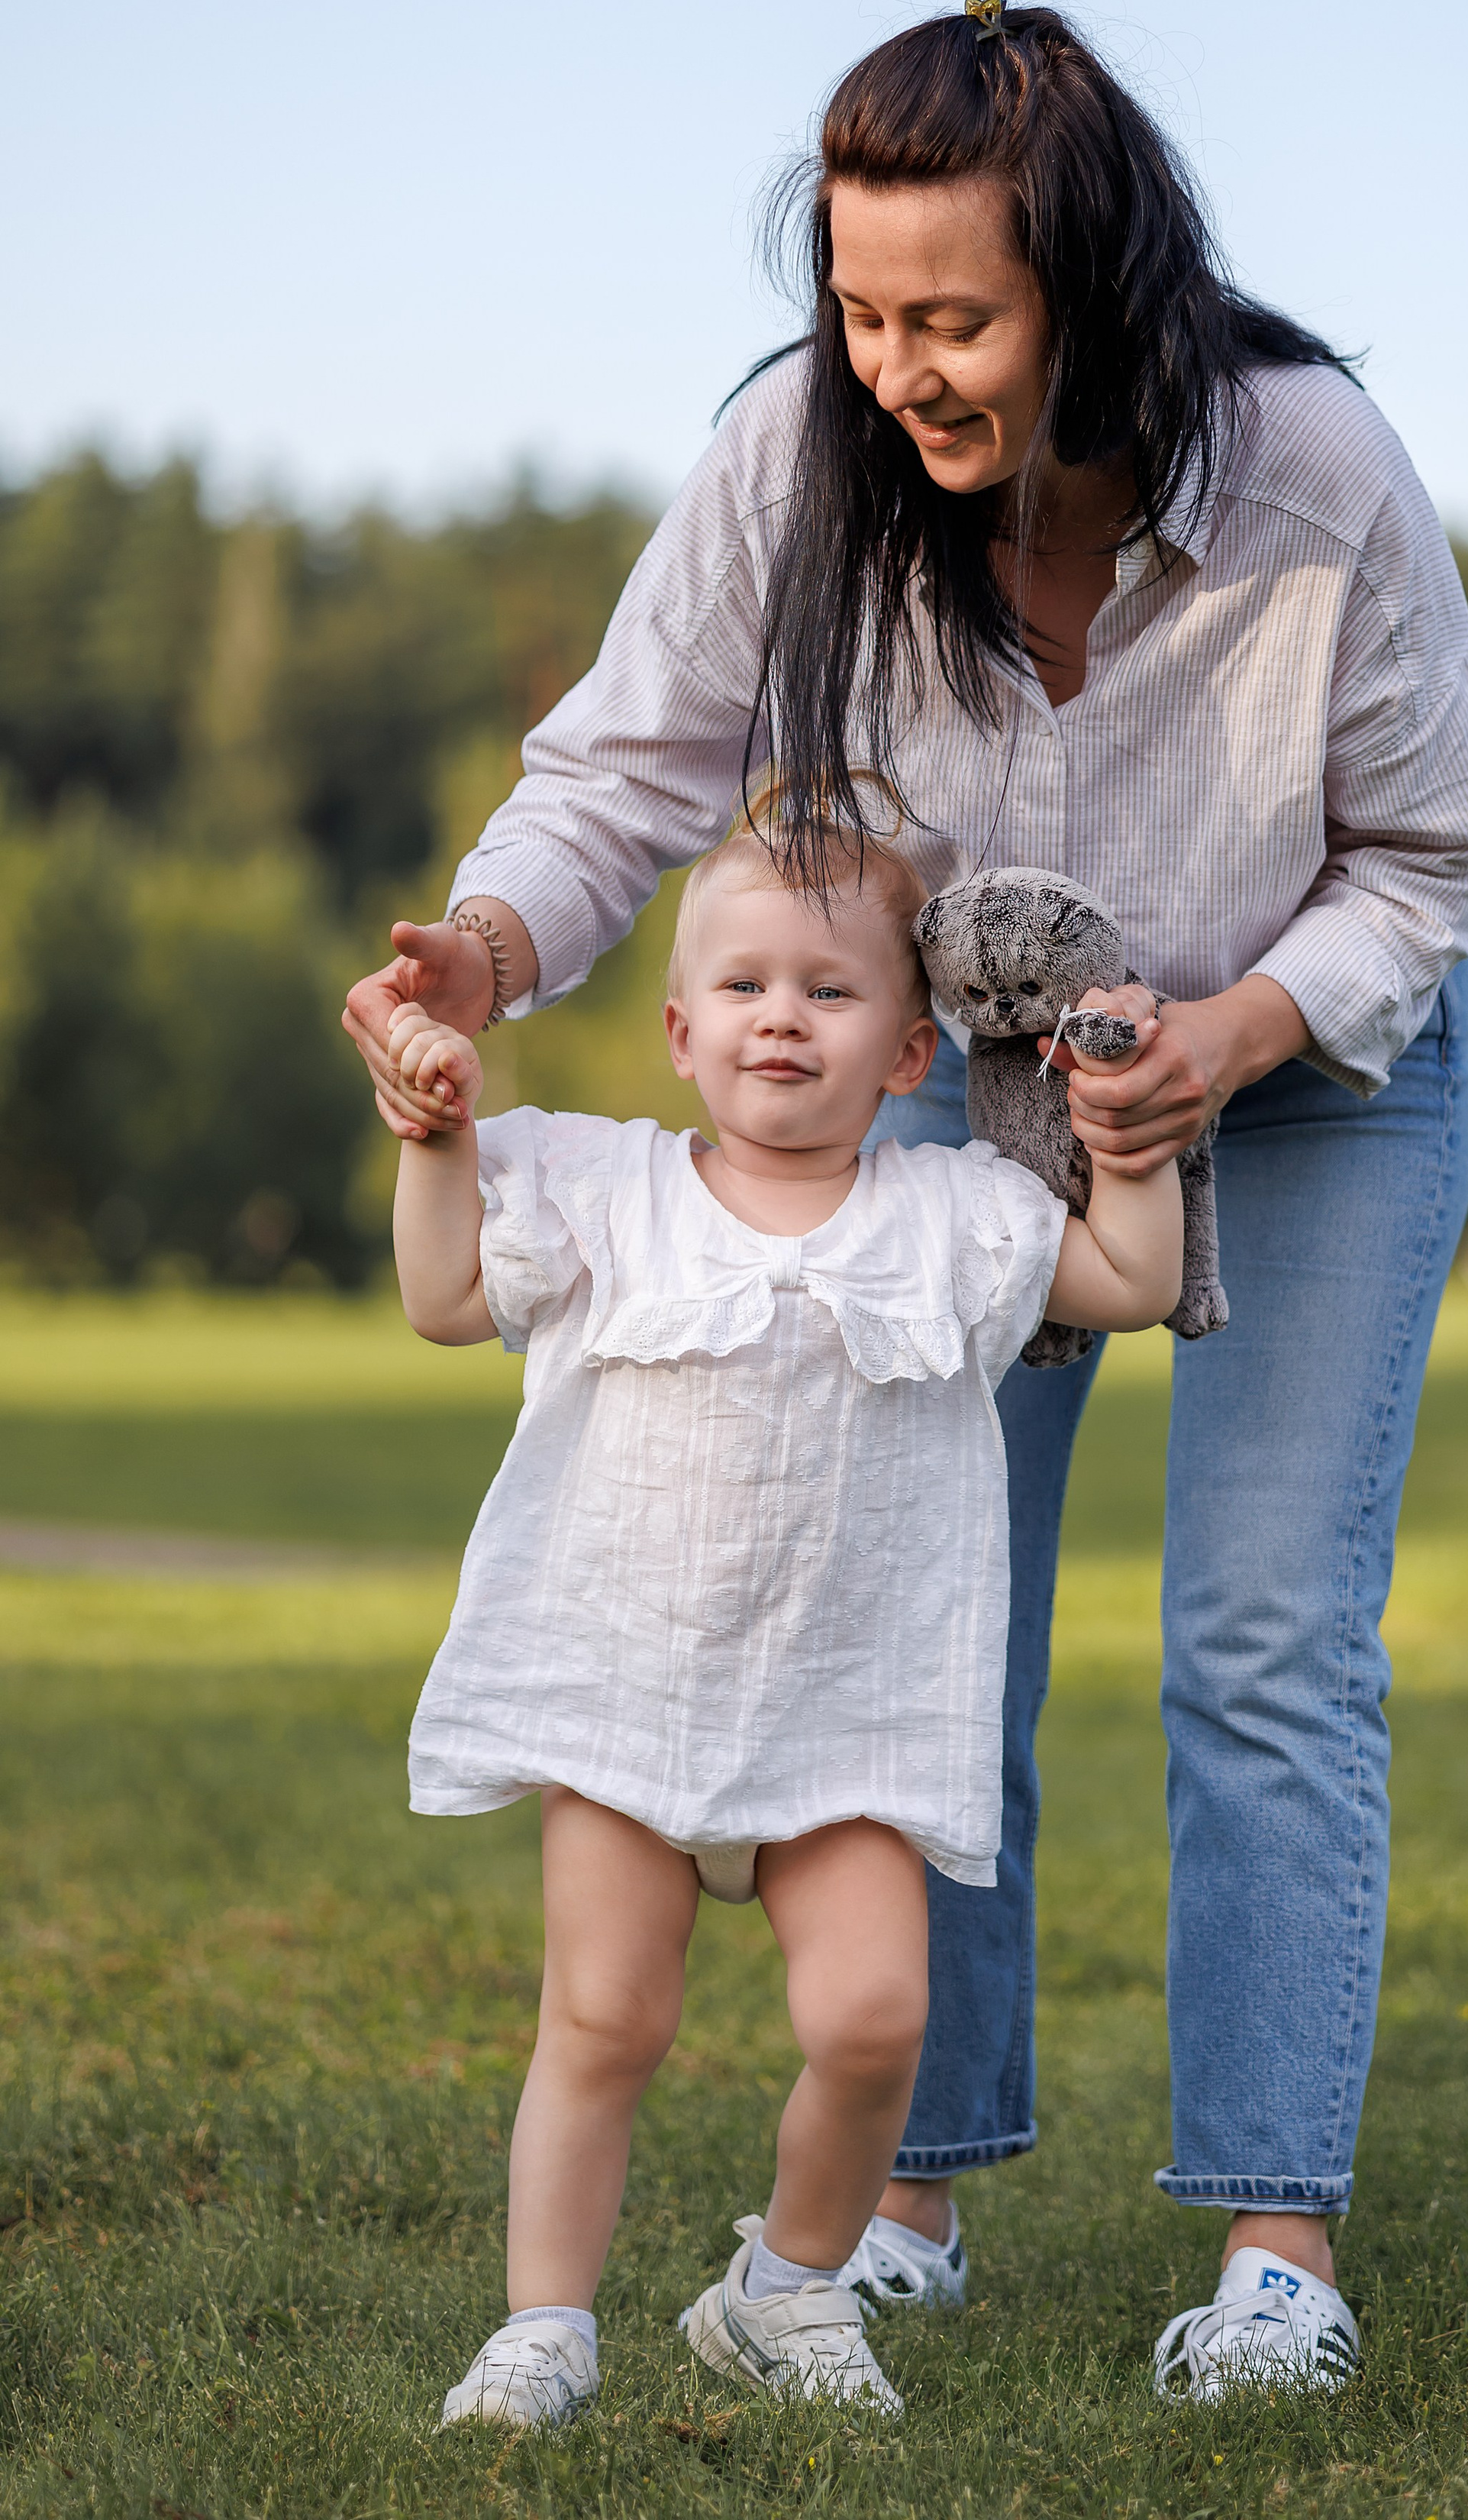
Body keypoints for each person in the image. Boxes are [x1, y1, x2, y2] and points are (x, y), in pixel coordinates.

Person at [346, 0, 1468, 2402]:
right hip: (958, 1073)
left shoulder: (1314, 476)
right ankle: (906, 2208)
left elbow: (1434, 857)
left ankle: (1277, 2253)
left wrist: (1234, 1039)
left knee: (1267, 1644)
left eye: (953, 316)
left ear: (1091, 283)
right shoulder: (798, 456)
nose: (899, 367)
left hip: (1315, 1059)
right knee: (919, 1636)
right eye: (863, 310)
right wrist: (473, 949)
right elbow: (625, 773)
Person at [387, 808, 1182, 2425]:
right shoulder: (602, 1188)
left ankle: (789, 2285)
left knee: (875, 2014)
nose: (778, 1017)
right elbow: (442, 1297)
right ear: (680, 1033)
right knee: (604, 2018)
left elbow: (1129, 1281)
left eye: (826, 994)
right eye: (742, 985)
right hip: (626, 1701)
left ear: (904, 1054)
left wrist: (1135, 1146)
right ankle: (544, 2325)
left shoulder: (954, 1217)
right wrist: (433, 1143)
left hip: (848, 1716)